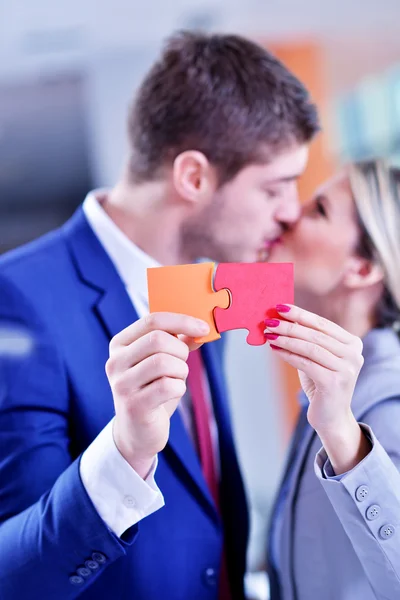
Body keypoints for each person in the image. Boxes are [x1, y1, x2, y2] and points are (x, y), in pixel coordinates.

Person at [0, 31, 318, 599]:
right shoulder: (17, 298)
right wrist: (125, 451)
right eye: (275, 188)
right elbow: (17, 576)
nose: (290, 212)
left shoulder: (204, 292)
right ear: (193, 177)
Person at [264, 160, 400, 600]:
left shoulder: (389, 404)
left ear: (362, 268)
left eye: (318, 209)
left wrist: (343, 435)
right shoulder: (326, 394)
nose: (288, 214)